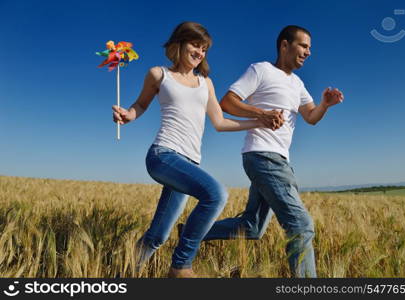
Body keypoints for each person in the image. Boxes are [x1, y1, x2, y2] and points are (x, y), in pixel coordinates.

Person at [112, 22, 280, 278]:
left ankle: (123, 275)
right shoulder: (159, 74)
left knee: (158, 235)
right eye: (195, 45)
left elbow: (220, 123)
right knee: (216, 195)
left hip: (190, 164)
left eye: (204, 49)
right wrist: (128, 115)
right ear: (178, 44)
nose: (200, 52)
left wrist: (260, 121)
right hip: (163, 155)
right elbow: (140, 105)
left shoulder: (206, 83)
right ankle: (181, 266)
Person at [201, 25, 344, 277]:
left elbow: (310, 117)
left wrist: (325, 104)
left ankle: (191, 231)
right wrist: (262, 113)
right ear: (285, 45)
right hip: (262, 155)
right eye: (303, 45)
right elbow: (227, 102)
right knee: (301, 226)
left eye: (310, 48)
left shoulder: (298, 83)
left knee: (252, 226)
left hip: (280, 160)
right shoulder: (261, 70)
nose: (308, 52)